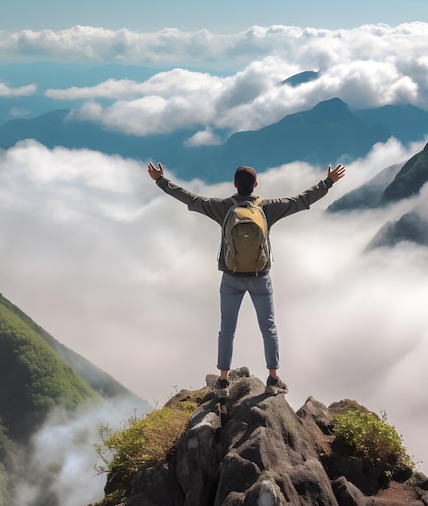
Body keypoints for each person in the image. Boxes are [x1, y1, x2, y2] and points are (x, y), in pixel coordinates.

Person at [147, 160, 346, 397]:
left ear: (234, 185)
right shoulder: (268, 208)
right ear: (256, 185)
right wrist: (328, 182)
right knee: (268, 327)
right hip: (261, 277)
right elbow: (301, 201)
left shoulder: (222, 208)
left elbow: (191, 199)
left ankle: (222, 383)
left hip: (231, 278)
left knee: (227, 329)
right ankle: (273, 379)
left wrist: (161, 181)